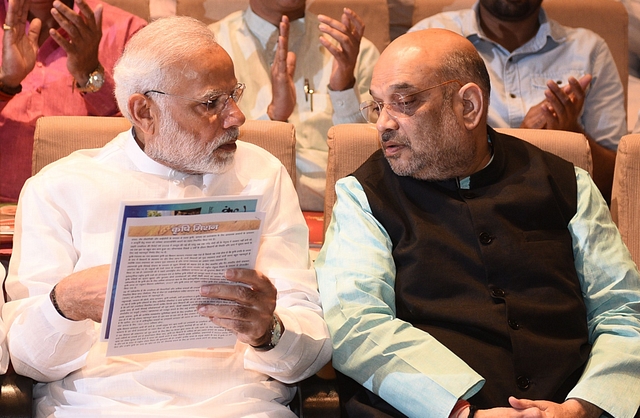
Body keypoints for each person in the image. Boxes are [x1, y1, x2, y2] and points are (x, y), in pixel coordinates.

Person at [2, 16, 331, 417]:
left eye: (234, 95)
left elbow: (308, 353)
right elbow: (31, 362)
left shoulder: (261, 175)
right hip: (98, 405)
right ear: (144, 111)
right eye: (211, 103)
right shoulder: (60, 188)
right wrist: (66, 302)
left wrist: (268, 331)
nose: (237, 117)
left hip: (239, 406)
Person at [315, 29, 640, 418]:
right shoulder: (363, 196)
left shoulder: (567, 185)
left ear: (468, 105)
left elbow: (621, 311)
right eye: (377, 105)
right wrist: (460, 411)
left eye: (402, 103)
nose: (384, 123)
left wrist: (583, 407)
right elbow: (356, 323)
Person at [409, 0, 625, 203]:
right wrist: (524, 140)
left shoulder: (589, 50)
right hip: (453, 204)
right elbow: (403, 148)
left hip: (555, 210)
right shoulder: (427, 40)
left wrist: (571, 131)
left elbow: (619, 180)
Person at [208, 0, 380, 211]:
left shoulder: (355, 51)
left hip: (341, 211)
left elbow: (372, 159)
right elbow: (205, 154)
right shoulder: (209, 50)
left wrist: (343, 88)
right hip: (246, 207)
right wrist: (274, 117)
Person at [0, 0, 146, 203]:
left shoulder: (128, 31)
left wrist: (90, 74)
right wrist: (6, 86)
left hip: (93, 209)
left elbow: (148, 134)